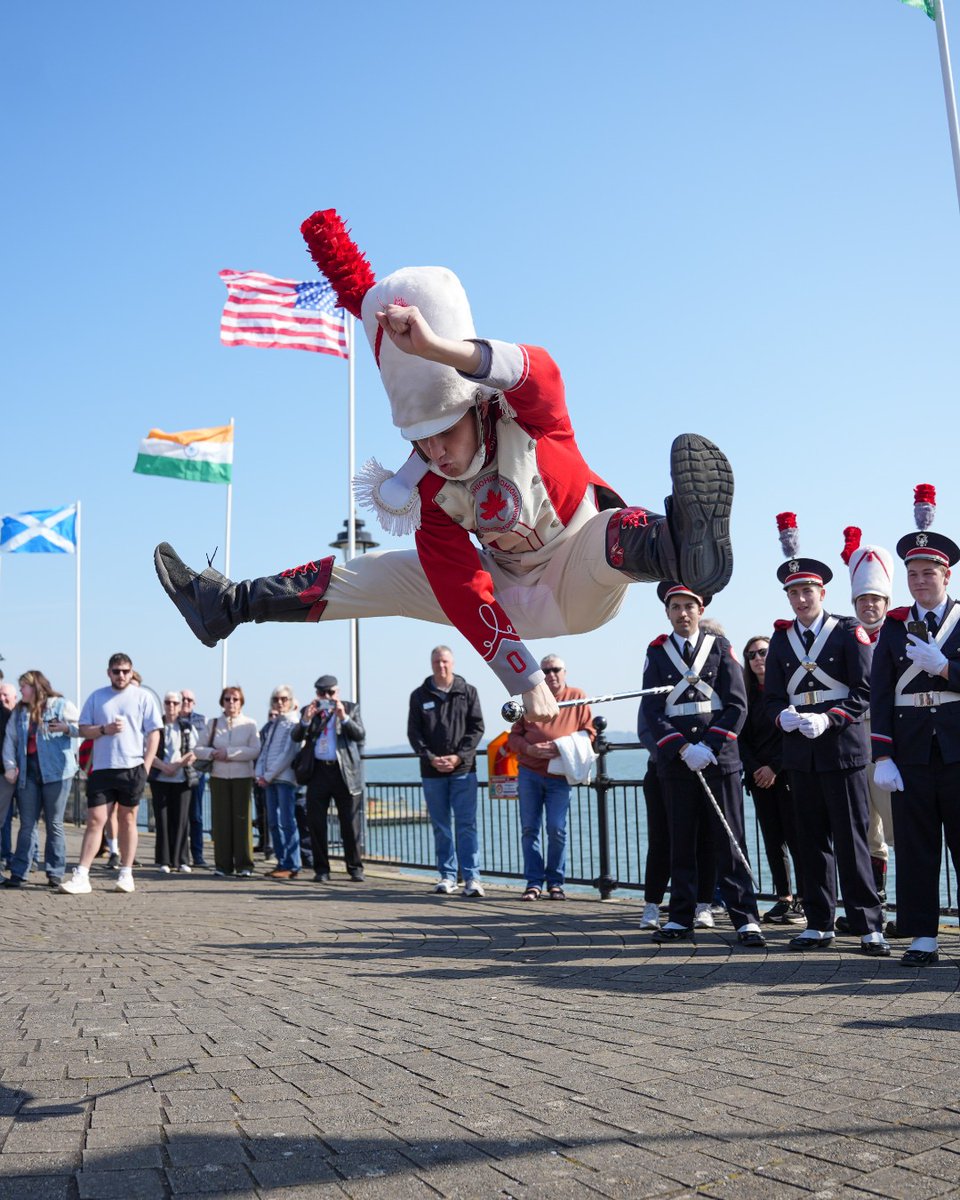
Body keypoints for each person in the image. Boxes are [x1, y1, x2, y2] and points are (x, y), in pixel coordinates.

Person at [155, 210, 735, 725]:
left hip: (578, 572)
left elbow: (543, 371)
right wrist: (524, 677)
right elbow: (462, 588)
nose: (433, 453)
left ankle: (680, 548)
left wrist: (439, 350)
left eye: (442, 432)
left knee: (613, 528)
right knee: (378, 573)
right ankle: (228, 606)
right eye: (419, 440)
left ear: (473, 406)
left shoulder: (522, 417)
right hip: (505, 595)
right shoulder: (428, 490)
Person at [763, 513, 888, 955]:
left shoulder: (847, 631)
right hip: (801, 753)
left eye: (806, 591)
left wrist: (829, 718)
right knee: (810, 841)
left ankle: (868, 923)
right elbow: (772, 697)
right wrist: (784, 718)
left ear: (822, 592)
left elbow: (866, 691)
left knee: (853, 839)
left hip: (843, 749)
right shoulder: (780, 641)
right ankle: (819, 921)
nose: (800, 599)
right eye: (793, 592)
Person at [641, 583, 765, 947]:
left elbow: (737, 705)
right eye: (675, 606)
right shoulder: (657, 652)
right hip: (678, 764)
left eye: (688, 606)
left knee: (729, 841)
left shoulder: (721, 648)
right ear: (667, 612)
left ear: (700, 609)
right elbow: (651, 709)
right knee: (682, 841)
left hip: (718, 759)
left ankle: (745, 918)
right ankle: (681, 917)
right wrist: (681, 748)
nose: (682, 613)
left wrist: (709, 746)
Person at [870, 484, 960, 967]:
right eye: (912, 573)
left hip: (958, 748)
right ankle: (923, 934)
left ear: (946, 575)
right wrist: (881, 754)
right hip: (911, 754)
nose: (920, 580)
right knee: (918, 846)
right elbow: (880, 691)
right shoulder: (894, 625)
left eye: (928, 572)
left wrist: (946, 667)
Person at [60, 653, 162, 895]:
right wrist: (105, 729)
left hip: (132, 767)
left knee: (128, 819)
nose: (121, 675)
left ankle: (126, 873)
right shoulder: (97, 697)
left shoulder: (143, 697)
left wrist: (146, 767)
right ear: (109, 672)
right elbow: (83, 729)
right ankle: (82, 874)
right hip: (103, 768)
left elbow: (154, 733)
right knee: (95, 819)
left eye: (125, 671)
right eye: (116, 671)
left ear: (132, 671)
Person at [838, 527, 896, 931]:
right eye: (863, 599)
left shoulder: (901, 636)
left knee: (899, 830)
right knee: (865, 833)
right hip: (852, 743)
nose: (869, 606)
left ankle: (908, 910)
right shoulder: (842, 638)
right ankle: (873, 910)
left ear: (886, 602)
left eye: (875, 599)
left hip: (889, 743)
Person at [508, 655, 594, 901]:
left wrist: (561, 747)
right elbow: (513, 737)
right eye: (545, 670)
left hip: (559, 775)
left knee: (557, 829)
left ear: (564, 672)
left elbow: (589, 732)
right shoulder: (530, 696)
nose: (551, 674)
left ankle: (555, 883)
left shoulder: (578, 696)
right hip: (529, 773)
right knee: (529, 829)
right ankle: (533, 883)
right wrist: (529, 749)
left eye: (556, 669)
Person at [408, 646, 485, 897]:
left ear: (452, 663)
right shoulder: (419, 695)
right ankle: (447, 876)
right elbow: (414, 733)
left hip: (463, 770)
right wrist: (431, 758)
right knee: (441, 826)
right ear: (431, 664)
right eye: (437, 662)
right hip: (432, 773)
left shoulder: (468, 692)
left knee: (466, 825)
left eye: (445, 661)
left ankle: (472, 878)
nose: (441, 666)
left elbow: (476, 729)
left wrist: (458, 756)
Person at [636, 704, 718, 930]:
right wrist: (675, 752)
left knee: (705, 838)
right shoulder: (656, 689)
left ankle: (703, 905)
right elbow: (646, 731)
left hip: (701, 768)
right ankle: (652, 905)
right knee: (660, 840)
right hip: (662, 769)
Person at [739, 637, 803, 925]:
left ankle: (804, 899)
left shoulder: (787, 691)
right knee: (772, 840)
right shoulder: (745, 697)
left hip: (787, 774)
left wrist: (774, 768)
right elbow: (741, 739)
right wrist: (757, 770)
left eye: (763, 652)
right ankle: (784, 897)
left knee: (798, 837)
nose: (757, 658)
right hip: (759, 778)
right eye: (751, 655)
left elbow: (793, 734)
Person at [2, 671, 80, 889]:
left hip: (56, 773)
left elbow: (82, 727)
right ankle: (20, 872)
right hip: (29, 773)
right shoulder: (19, 712)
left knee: (54, 824)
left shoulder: (60, 704)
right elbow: (10, 740)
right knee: (27, 824)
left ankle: (55, 872)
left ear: (35, 686)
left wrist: (66, 728)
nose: (20, 691)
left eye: (23, 687)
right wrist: (10, 766)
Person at [291, 676, 365, 883]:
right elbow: (296, 737)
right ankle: (321, 869)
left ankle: (355, 868)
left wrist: (345, 718)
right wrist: (306, 720)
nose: (327, 697)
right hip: (318, 772)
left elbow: (360, 735)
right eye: (322, 694)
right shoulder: (310, 710)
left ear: (338, 692)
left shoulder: (351, 708)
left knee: (350, 825)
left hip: (344, 773)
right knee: (316, 824)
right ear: (317, 694)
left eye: (331, 693)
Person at [192, 686, 260, 877]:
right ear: (222, 702)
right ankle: (222, 865)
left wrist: (230, 753)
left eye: (235, 699)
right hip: (219, 776)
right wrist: (213, 753)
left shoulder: (249, 724)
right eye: (228, 699)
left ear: (241, 702)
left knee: (242, 820)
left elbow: (255, 750)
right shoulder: (213, 724)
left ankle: (245, 865)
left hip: (242, 776)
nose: (231, 703)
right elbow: (198, 749)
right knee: (221, 821)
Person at [148, 691, 197, 873]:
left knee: (182, 820)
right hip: (160, 778)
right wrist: (164, 767)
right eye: (168, 703)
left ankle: (182, 859)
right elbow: (147, 750)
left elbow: (193, 751)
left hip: (182, 778)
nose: (171, 706)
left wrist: (176, 765)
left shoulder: (186, 726)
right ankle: (164, 860)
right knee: (163, 819)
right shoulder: (155, 725)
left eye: (175, 703)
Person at [257, 685, 301, 881]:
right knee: (273, 822)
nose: (280, 702)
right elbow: (265, 750)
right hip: (270, 780)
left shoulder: (293, 723)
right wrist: (259, 773)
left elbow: (288, 754)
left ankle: (293, 863)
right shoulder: (275, 723)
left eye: (284, 699)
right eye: (276, 699)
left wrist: (268, 774)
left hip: (284, 778)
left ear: (291, 701)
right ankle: (281, 861)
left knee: (287, 821)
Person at [180, 689, 209, 867]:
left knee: (196, 816)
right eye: (183, 699)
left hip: (196, 774)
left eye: (189, 699)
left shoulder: (201, 720)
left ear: (194, 702)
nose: (186, 702)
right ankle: (179, 856)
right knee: (179, 817)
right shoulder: (172, 718)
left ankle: (198, 856)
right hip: (176, 775)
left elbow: (205, 745)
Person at [0, 683, 18, 869]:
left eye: (6, 695)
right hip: (4, 774)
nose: (2, 698)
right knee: (3, 820)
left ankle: (30, 858)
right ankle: (5, 855)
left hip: (23, 774)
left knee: (29, 821)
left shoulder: (19, 716)